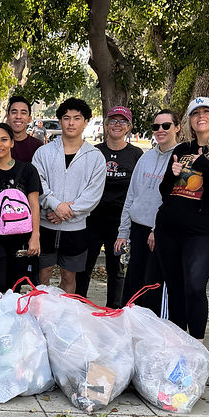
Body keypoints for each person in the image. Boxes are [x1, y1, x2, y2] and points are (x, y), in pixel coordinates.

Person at [155, 97, 209, 340]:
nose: (200, 116)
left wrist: (205, 166)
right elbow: (164, 191)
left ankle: (197, 344)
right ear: (190, 121)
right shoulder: (182, 150)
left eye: (206, 112)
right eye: (195, 113)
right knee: (175, 287)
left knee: (194, 286)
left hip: (202, 231)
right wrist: (172, 176)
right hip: (169, 228)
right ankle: (178, 341)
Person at [32, 98, 106, 295]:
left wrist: (67, 212)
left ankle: (64, 317)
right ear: (60, 121)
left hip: (76, 229)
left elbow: (93, 194)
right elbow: (38, 185)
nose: (71, 123)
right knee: (43, 272)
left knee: (69, 276)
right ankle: (40, 313)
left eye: (77, 118)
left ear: (86, 121)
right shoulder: (44, 152)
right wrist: (56, 205)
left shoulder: (95, 156)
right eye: (66, 118)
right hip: (46, 225)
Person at [115, 110, 182, 315]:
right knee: (132, 288)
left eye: (166, 126)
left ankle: (152, 338)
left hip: (160, 233)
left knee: (152, 289)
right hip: (138, 229)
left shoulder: (181, 158)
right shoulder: (145, 158)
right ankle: (130, 335)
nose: (160, 130)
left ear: (177, 128)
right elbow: (132, 195)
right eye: (156, 127)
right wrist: (123, 232)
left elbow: (175, 200)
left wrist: (157, 229)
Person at [79, 106, 143, 308]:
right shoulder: (93, 152)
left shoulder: (136, 154)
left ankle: (115, 312)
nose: (117, 124)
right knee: (84, 267)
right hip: (92, 220)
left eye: (122, 121)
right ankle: (78, 308)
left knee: (116, 269)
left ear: (128, 127)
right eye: (113, 121)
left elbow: (139, 189)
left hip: (120, 223)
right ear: (105, 125)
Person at [0, 123, 42, 292]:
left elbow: (34, 205)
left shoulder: (27, 170)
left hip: (22, 240)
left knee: (15, 288)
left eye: (4, 140)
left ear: (12, 142)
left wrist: (35, 236)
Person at [6, 96, 43, 162]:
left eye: (23, 113)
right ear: (8, 117)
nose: (18, 116)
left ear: (29, 119)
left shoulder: (38, 147)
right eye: (14, 112)